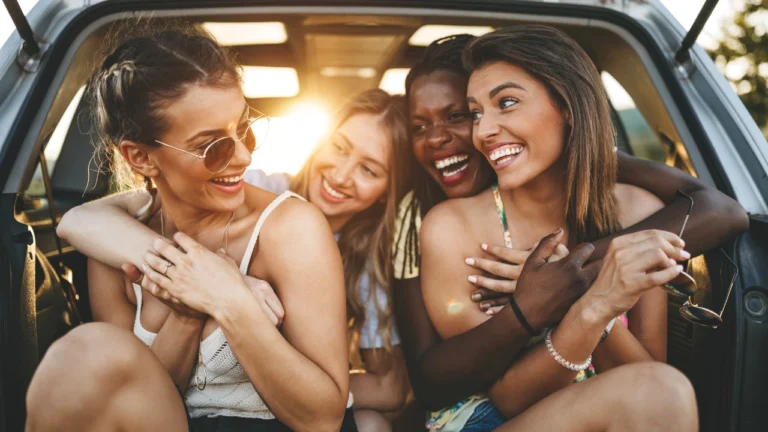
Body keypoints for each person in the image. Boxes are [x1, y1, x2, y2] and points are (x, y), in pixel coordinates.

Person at [391, 32, 749, 427]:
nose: (484, 131)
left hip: (601, 410)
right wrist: (572, 302)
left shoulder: (639, 212)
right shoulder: (450, 226)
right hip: (491, 418)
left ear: (568, 106)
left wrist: (591, 297)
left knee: (661, 389)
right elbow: (506, 397)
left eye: (506, 103)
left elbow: (645, 375)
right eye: (476, 113)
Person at [25, 27, 354, 432]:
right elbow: (140, 392)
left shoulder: (291, 229)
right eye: (212, 145)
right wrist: (185, 312)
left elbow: (323, 418)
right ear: (141, 158)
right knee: (83, 354)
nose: (244, 156)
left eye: (244, 129)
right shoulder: (118, 242)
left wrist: (230, 298)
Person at [49, 88, 411, 431]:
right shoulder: (249, 188)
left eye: (369, 170)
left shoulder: (369, 259)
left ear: (387, 192)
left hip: (289, 404)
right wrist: (216, 276)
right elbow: (80, 220)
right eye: (339, 147)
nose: (342, 175)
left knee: (373, 425)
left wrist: (304, 387)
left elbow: (388, 388)